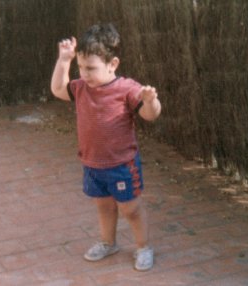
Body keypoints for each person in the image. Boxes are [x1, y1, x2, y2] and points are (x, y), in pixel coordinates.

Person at [50, 23, 161, 271]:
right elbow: (58, 89)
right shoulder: (80, 88)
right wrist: (64, 60)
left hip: (122, 165)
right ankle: (108, 243)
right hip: (92, 163)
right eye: (81, 67)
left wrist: (151, 101)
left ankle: (143, 247)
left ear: (113, 65)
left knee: (131, 209)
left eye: (91, 68)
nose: (85, 74)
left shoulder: (127, 89)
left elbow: (150, 116)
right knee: (104, 206)